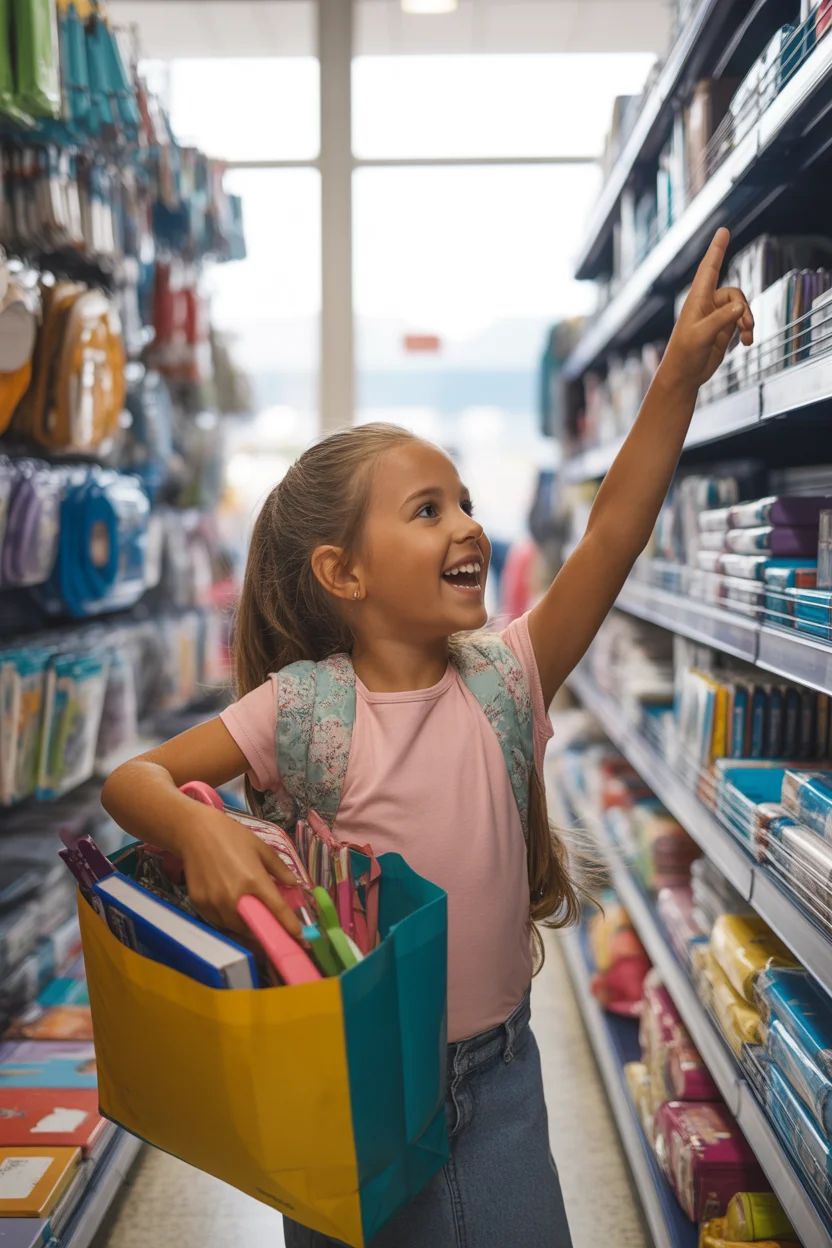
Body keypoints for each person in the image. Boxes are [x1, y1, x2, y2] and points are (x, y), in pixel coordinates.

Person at [102, 228, 753, 1248]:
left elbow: (612, 534)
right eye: (426, 510)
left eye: (464, 503)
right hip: (349, 1088)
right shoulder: (303, 708)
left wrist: (675, 378)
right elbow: (132, 781)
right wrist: (202, 831)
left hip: (501, 1081)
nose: (466, 526)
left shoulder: (507, 675)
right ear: (343, 573)